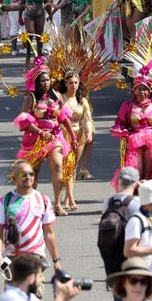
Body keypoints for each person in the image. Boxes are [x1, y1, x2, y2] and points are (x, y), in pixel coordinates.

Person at [14, 58, 75, 214]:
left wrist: (73, 136)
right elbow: (25, 120)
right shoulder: (31, 98)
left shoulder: (56, 96)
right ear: (36, 82)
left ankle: (57, 204)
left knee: (57, 167)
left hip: (55, 138)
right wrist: (41, 132)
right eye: (43, 80)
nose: (46, 83)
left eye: (48, 80)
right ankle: (29, 203)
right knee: (33, 173)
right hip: (36, 140)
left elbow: (63, 117)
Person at [112, 59, 152, 202]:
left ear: (149, 91)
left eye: (145, 89)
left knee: (151, 171)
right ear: (134, 90)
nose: (142, 92)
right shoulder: (127, 106)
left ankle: (151, 198)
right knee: (136, 171)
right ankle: (135, 199)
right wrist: (124, 132)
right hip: (135, 142)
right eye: (139, 88)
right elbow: (120, 123)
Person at [0, 161, 62, 276]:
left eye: (31, 174)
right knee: (12, 294)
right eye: (23, 175)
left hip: (35, 257)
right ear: (14, 178)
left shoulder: (43, 199)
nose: (28, 177)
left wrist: (56, 261)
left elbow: (49, 233)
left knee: (35, 294)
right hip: (12, 258)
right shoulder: (5, 200)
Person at [0, 253, 79, 301]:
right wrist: (60, 298)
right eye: (40, 276)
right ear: (31, 278)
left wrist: (62, 299)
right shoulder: (11, 299)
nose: (42, 279)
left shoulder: (30, 297)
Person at [58, 69, 93, 210]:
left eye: (76, 82)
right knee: (65, 165)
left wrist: (89, 132)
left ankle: (68, 196)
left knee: (73, 166)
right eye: (71, 82)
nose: (74, 85)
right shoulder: (60, 98)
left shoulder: (82, 100)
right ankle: (68, 197)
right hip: (63, 134)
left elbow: (87, 119)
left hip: (78, 135)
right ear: (65, 83)